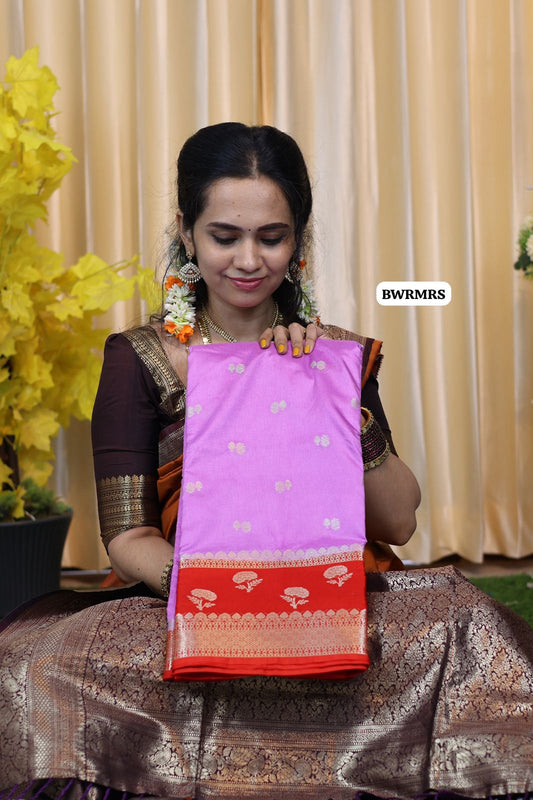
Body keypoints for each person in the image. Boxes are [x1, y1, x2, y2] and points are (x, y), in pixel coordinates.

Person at [0, 123, 531, 800]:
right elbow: (126, 535)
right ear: (187, 234)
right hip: (184, 593)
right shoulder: (140, 358)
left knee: (470, 629)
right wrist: (218, 592)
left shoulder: (335, 355)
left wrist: (329, 396)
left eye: (271, 237)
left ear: (298, 240)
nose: (248, 260)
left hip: (335, 590)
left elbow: (398, 522)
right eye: (225, 236)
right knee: (32, 663)